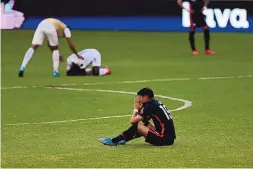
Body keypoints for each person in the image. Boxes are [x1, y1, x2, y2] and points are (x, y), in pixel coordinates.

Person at [99, 88, 176, 146]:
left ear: (145, 97)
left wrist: (135, 109)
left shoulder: (149, 107)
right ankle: (124, 138)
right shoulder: (155, 103)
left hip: (163, 139)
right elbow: (145, 120)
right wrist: (140, 109)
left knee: (137, 126)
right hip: (169, 138)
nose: (139, 99)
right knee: (146, 125)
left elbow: (133, 121)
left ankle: (114, 141)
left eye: (140, 97)